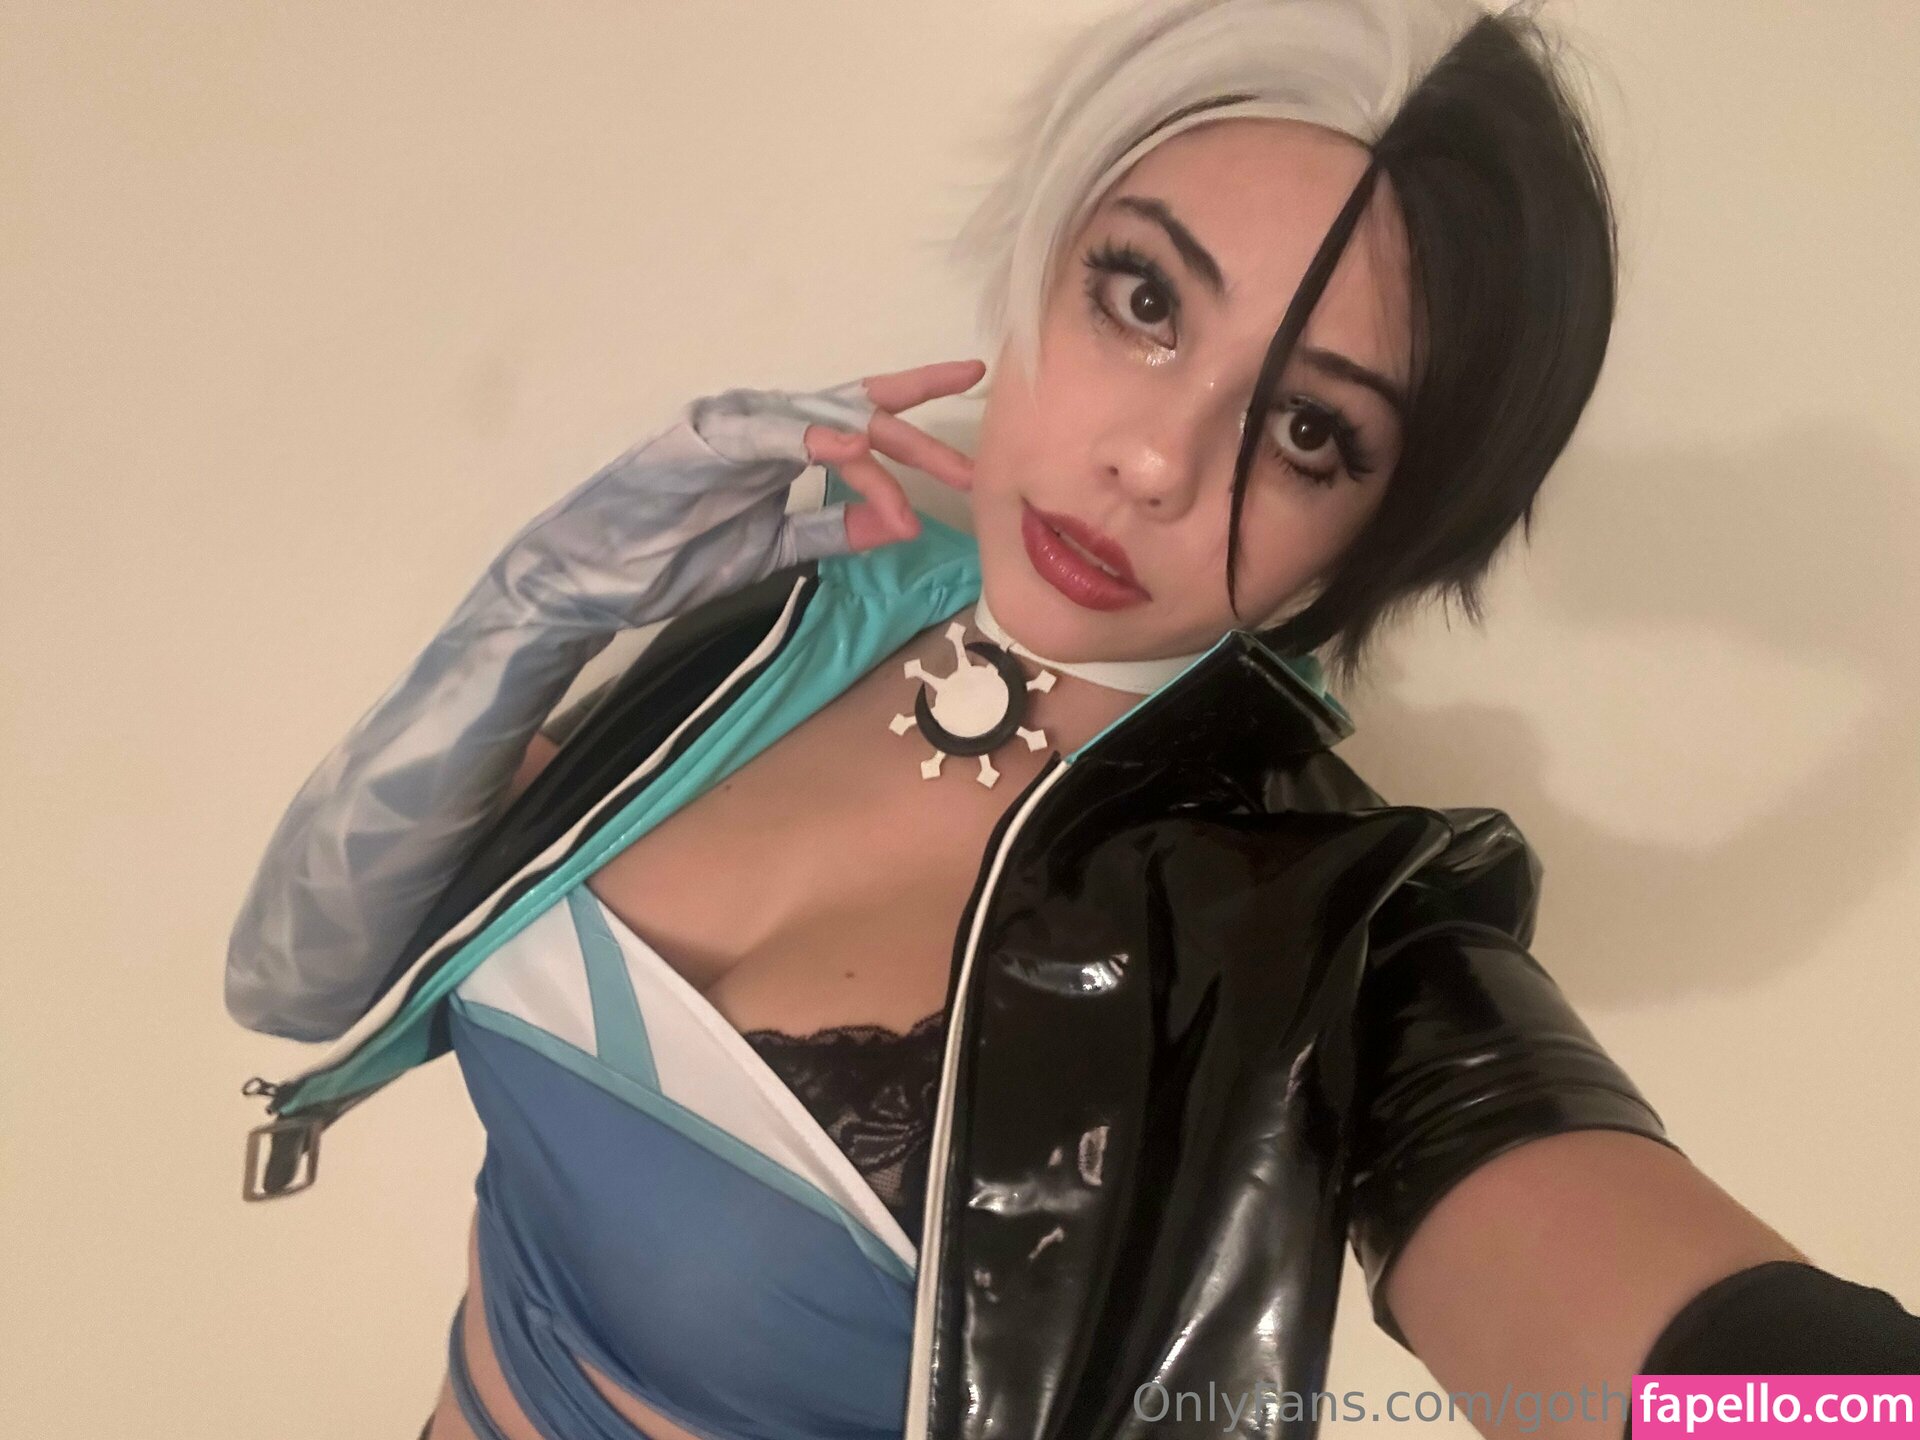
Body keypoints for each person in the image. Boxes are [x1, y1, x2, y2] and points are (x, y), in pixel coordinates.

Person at [224, 1, 1920, 1437]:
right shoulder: (805, 607)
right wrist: (534, 612)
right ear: (1045, 254)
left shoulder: (1307, 930)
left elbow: (1696, 1340)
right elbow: (296, 980)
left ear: (1382, 535)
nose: (1156, 460)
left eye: (1310, 434)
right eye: (1145, 299)